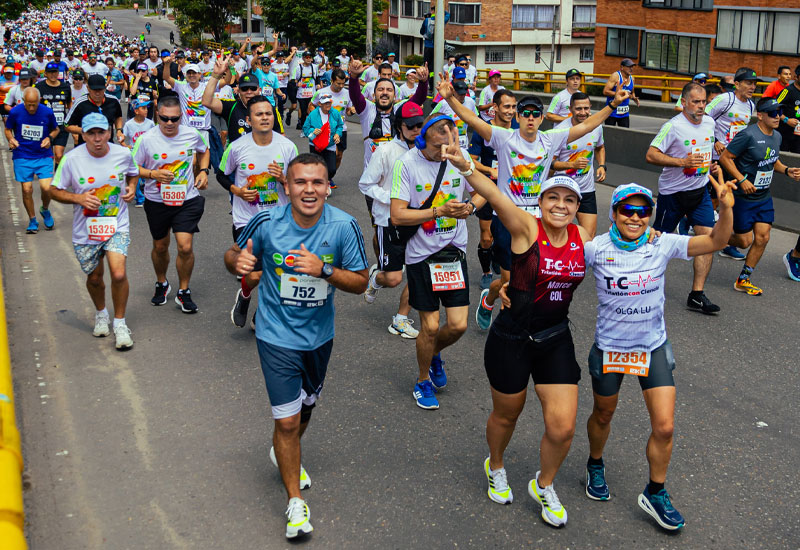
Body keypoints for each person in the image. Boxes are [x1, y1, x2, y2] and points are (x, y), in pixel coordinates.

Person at [444, 115, 591, 523]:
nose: (560, 206)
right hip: (511, 337)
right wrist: (465, 165)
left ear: (578, 208)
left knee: (562, 428)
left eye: (569, 201)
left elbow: (626, 251)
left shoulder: (584, 239)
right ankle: (496, 464)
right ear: (540, 204)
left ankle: (544, 485)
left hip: (555, 338)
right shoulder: (527, 227)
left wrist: (648, 238)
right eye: (553, 199)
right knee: (507, 414)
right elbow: (496, 195)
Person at [226, 153, 368, 539]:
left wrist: (323, 270)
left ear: (328, 188)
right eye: (300, 182)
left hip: (319, 338)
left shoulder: (344, 226)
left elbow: (361, 281)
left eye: (317, 182)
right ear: (285, 187)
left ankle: (284, 451)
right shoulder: (267, 221)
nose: (309, 189)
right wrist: (238, 263)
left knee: (305, 409)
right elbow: (234, 254)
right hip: (275, 335)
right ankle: (294, 503)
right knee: (287, 422)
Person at [582, 176, 734, 531]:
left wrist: (725, 209)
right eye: (627, 211)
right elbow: (555, 271)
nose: (636, 218)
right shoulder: (596, 249)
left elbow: (718, 240)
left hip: (651, 347)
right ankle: (595, 463)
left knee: (664, 426)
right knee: (603, 416)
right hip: (611, 348)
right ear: (614, 214)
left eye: (643, 212)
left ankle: (656, 491)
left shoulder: (662, 243)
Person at [439, 77, 631, 331]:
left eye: (535, 114)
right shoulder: (504, 137)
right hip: (507, 218)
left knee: (529, 278)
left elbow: (586, 127)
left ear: (542, 118)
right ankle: (491, 299)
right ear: (518, 117)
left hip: (538, 221)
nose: (530, 118)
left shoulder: (551, 139)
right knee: (510, 278)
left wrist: (611, 105)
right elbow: (473, 120)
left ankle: (518, 321)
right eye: (525, 113)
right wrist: (450, 98)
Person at [389, 114, 486, 410]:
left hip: (453, 254)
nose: (445, 145)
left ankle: (432, 355)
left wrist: (469, 207)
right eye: (439, 138)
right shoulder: (407, 164)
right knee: (429, 327)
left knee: (457, 326)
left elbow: (483, 191)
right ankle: (422, 381)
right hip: (421, 255)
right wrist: (439, 211)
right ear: (424, 139)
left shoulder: (460, 158)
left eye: (450, 138)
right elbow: (398, 215)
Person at [49, 113, 139, 350]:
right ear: (83, 135)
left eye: (101, 132)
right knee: (95, 277)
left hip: (116, 224)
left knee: (118, 274)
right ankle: (101, 314)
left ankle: (120, 323)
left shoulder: (122, 154)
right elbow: (54, 190)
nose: (97, 138)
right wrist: (78, 198)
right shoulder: (71, 159)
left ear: (109, 133)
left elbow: (133, 173)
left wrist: (131, 188)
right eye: (91, 134)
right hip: (86, 229)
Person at [222, 96, 298, 328]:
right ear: (249, 119)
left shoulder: (287, 147)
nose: (264, 118)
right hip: (248, 220)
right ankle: (245, 296)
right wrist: (237, 190)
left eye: (268, 113)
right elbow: (222, 174)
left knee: (275, 271)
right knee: (255, 274)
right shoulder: (237, 147)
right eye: (259, 114)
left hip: (280, 218)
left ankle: (261, 313)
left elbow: (299, 184)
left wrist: (283, 178)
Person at [132, 96, 210, 313]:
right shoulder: (146, 139)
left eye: (174, 119)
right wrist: (151, 173)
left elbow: (204, 151)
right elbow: (131, 166)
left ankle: (184, 291)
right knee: (160, 246)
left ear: (180, 117)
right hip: (157, 200)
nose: (169, 123)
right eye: (165, 118)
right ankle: (162, 282)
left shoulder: (191, 134)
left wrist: (203, 171)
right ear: (158, 115)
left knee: (185, 246)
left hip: (187, 199)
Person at [646, 82, 719, 314]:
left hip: (700, 192)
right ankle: (643, 285)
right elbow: (651, 155)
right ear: (684, 102)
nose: (700, 106)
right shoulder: (673, 127)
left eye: (704, 102)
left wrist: (712, 166)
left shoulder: (710, 122)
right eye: (696, 102)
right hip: (673, 194)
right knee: (657, 241)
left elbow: (706, 150)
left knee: (707, 240)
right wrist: (681, 162)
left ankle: (697, 295)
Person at [719, 97, 800, 296]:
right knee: (744, 241)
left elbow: (772, 160)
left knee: (763, 237)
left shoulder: (777, 136)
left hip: (763, 196)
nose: (777, 117)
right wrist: (741, 179)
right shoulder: (748, 135)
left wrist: (787, 170)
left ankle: (743, 279)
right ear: (760, 115)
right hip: (742, 197)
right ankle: (715, 238)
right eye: (772, 113)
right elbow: (725, 158)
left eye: (779, 113)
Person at [359, 102, 426, 339]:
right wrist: (394, 198)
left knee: (419, 271)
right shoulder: (386, 151)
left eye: (421, 125)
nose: (417, 130)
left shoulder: (426, 151)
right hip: (390, 221)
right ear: (400, 126)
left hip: (419, 220)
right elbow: (365, 183)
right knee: (394, 278)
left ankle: (400, 319)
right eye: (411, 126)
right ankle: (376, 278)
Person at [468, 89, 519, 290]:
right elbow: (471, 160)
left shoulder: (519, 129)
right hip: (489, 189)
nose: (510, 111)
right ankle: (487, 272)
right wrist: (490, 170)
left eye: (514, 107)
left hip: (513, 191)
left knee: (510, 234)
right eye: (507, 106)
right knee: (487, 236)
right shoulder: (484, 130)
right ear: (495, 108)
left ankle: (502, 257)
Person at [706, 67, 757, 260]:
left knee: (728, 199)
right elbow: (704, 118)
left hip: (733, 158)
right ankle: (695, 224)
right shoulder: (725, 100)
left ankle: (725, 242)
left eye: (754, 84)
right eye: (748, 83)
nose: (752, 87)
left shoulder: (751, 106)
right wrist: (715, 140)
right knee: (714, 198)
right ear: (736, 84)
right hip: (715, 156)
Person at [4, 87, 59, 233]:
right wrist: (11, 139)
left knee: (46, 188)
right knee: (26, 189)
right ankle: (32, 220)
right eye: (28, 104)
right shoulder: (15, 112)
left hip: (43, 155)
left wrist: (50, 138)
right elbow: (7, 129)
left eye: (34, 104)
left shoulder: (47, 112)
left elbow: (56, 129)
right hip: (22, 155)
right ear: (23, 101)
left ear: (39, 101)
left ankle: (45, 210)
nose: (31, 107)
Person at [552, 92, 606, 238]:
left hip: (586, 189)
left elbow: (600, 147)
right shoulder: (560, 131)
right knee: (559, 235)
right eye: (578, 109)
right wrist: (572, 164)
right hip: (564, 189)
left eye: (586, 108)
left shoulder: (597, 127)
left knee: (589, 236)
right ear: (570, 109)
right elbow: (550, 164)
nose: (583, 113)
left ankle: (580, 261)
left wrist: (602, 165)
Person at [311, 68, 354, 175]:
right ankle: (324, 176)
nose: (340, 86)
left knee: (338, 155)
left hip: (340, 129)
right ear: (332, 80)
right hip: (324, 130)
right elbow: (311, 106)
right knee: (326, 154)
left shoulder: (347, 93)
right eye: (338, 83)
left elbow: (348, 111)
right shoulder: (321, 92)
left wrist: (351, 111)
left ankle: (329, 176)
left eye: (343, 84)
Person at [64, 74, 124, 146]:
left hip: (107, 145)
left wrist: (119, 130)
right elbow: (66, 125)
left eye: (100, 90)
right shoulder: (80, 103)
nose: (97, 93)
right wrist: (86, 131)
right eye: (94, 90)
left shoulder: (113, 101)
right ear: (88, 88)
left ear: (105, 87)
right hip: (86, 146)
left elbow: (118, 116)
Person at [302, 93, 343, 188]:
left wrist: (337, 134)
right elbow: (305, 129)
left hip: (330, 144)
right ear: (320, 104)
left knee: (332, 169)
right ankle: (320, 185)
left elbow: (340, 126)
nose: (328, 105)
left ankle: (327, 179)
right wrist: (313, 131)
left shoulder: (335, 113)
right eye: (325, 103)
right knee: (316, 167)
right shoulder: (313, 114)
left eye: (329, 102)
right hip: (316, 145)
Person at [35, 61, 72, 167]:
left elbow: (69, 103)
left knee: (59, 155)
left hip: (61, 126)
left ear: (58, 73)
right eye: (50, 72)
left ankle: (57, 179)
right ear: (45, 73)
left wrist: (71, 119)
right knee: (48, 155)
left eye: (55, 72)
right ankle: (48, 177)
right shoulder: (38, 87)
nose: (53, 74)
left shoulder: (65, 87)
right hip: (45, 126)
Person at [122, 97, 155, 207]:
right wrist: (126, 146)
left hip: (148, 153)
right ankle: (140, 198)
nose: (146, 110)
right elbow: (122, 138)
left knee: (147, 174)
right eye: (143, 108)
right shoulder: (129, 124)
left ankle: (149, 194)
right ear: (136, 111)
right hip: (135, 155)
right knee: (135, 175)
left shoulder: (150, 123)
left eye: (147, 108)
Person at [603, 58, 639, 127]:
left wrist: (634, 98)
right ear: (622, 67)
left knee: (625, 135)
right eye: (629, 66)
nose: (631, 69)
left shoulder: (632, 79)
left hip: (624, 113)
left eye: (632, 67)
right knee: (610, 134)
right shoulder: (615, 76)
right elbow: (605, 91)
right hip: (611, 112)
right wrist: (618, 94)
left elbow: (631, 92)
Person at [292, 51, 319, 130]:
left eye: (310, 57)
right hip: (301, 94)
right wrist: (297, 84)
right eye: (306, 57)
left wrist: (318, 84)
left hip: (311, 93)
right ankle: (303, 126)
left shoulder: (314, 67)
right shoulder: (298, 68)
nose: (308, 59)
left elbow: (316, 77)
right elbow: (293, 80)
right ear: (303, 58)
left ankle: (310, 127)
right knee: (303, 112)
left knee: (311, 111)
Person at [777, 64, 800, 154]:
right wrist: (786, 120)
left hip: (798, 136)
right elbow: (773, 108)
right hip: (785, 133)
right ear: (796, 77)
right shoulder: (787, 91)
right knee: (783, 158)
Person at [420, 5, 450, 73]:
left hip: (428, 47)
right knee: (434, 66)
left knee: (426, 64)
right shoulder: (442, 20)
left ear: (432, 11)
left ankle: (427, 78)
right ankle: (432, 79)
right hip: (437, 48)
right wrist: (441, 10)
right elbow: (448, 14)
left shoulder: (427, 20)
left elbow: (421, 32)